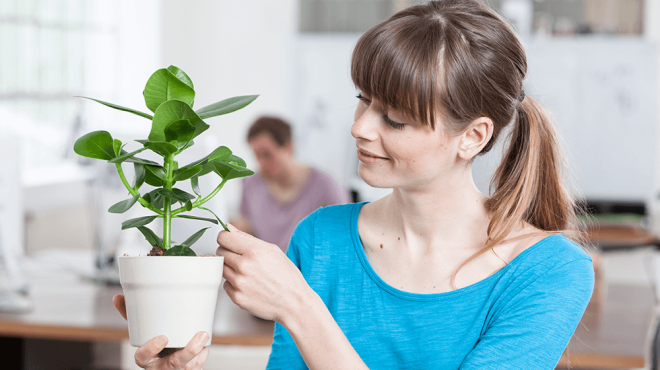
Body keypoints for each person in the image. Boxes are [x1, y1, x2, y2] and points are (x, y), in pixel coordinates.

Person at [114, 0, 594, 368]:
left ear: (472, 137)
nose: (361, 128)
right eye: (363, 100)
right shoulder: (320, 238)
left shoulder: (549, 271)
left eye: (395, 119)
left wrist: (298, 305)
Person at [231, 116, 350, 252]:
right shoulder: (251, 185)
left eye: (267, 154)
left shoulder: (327, 186)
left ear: (288, 147)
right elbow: (247, 228)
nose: (261, 163)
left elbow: (342, 240)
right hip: (261, 267)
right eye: (256, 155)